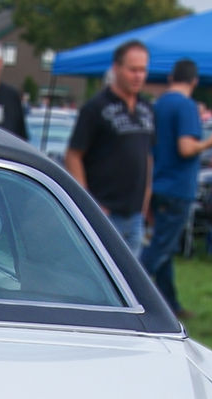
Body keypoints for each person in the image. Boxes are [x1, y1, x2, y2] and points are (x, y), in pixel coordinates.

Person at [139, 57, 212, 320]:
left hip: (157, 182)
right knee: (161, 248)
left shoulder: (158, 104)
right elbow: (186, 148)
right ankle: (133, 289)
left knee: (165, 247)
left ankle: (170, 304)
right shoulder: (186, 107)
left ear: (170, 78)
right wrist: (211, 142)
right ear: (194, 81)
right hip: (178, 186)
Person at [66, 40, 154, 256]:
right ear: (116, 68)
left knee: (129, 284)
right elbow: (73, 155)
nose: (138, 76)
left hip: (134, 215)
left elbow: (148, 155)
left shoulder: (147, 109)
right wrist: (88, 203)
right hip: (105, 212)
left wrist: (146, 200)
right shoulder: (96, 108)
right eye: (133, 69)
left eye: (143, 70)